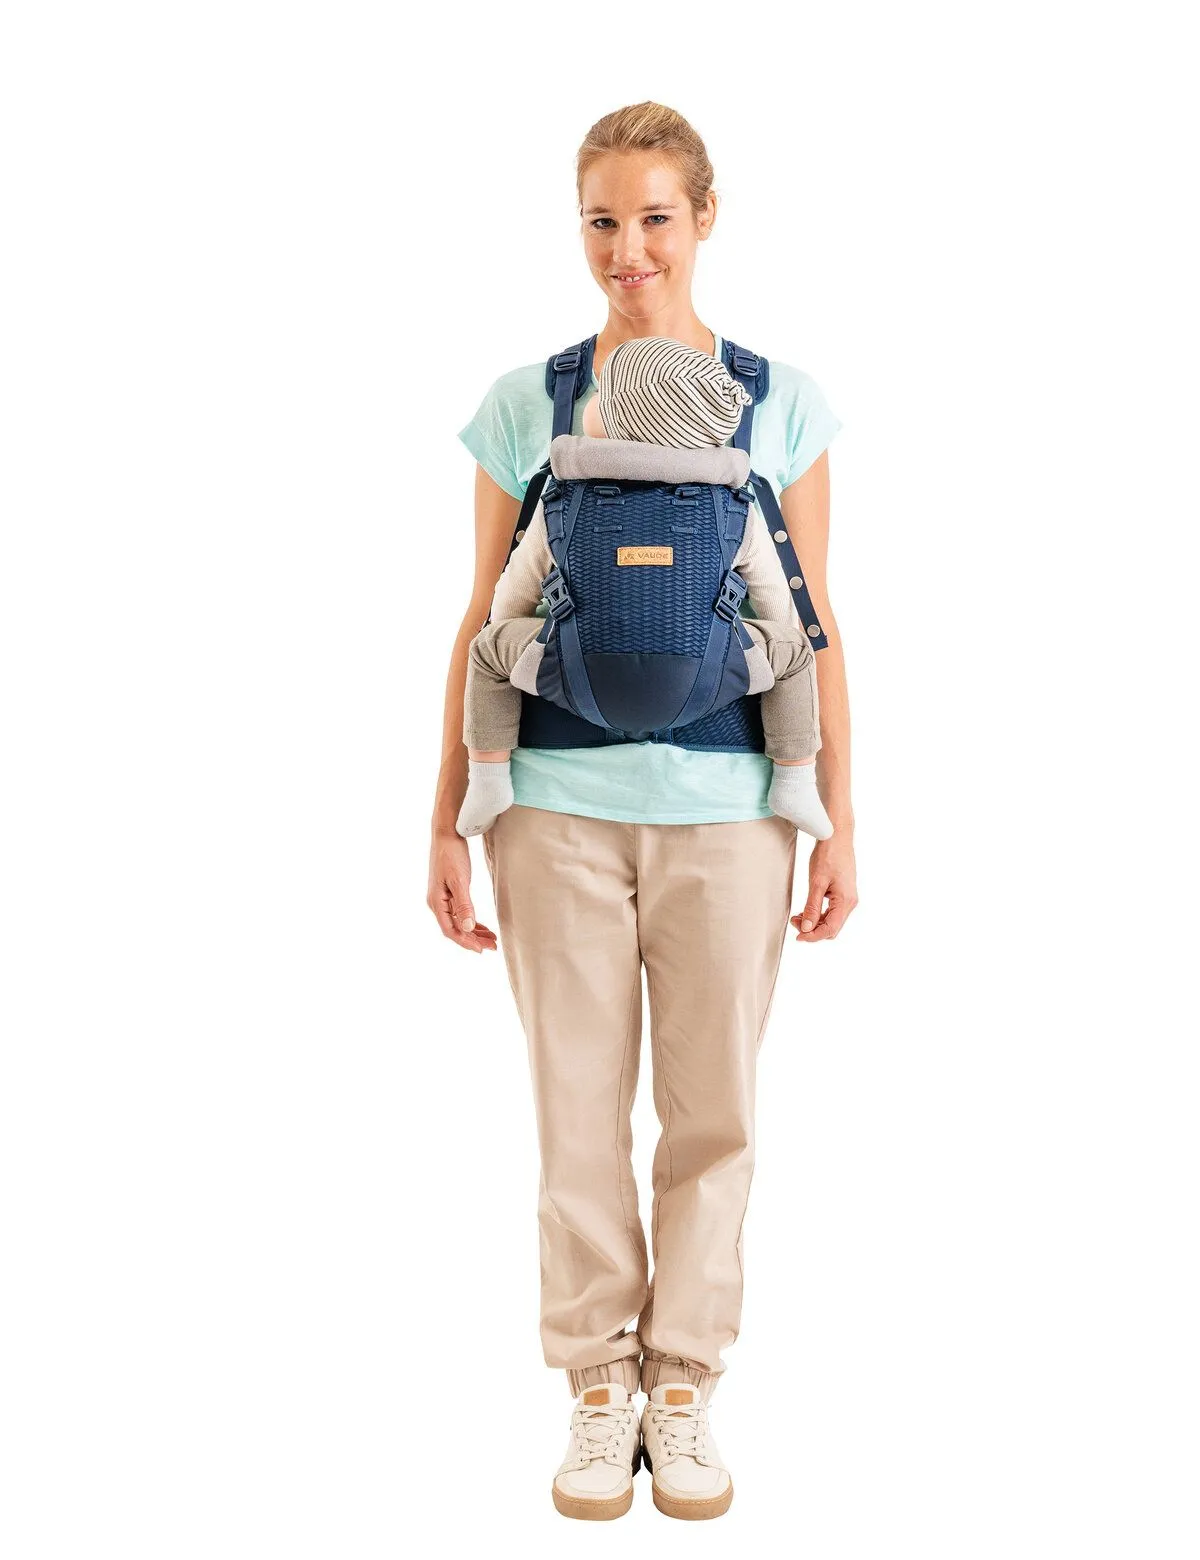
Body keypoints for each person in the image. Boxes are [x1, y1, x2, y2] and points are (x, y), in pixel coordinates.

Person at [427, 100, 859, 1521]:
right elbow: (482, 621)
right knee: (576, 1108)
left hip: (732, 810)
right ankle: (597, 1381)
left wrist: (838, 816)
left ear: (705, 217)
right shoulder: (527, 404)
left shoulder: (779, 400)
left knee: (713, 1109)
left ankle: (684, 1382)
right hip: (551, 808)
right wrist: (447, 815)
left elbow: (811, 625)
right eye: (603, 221)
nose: (629, 250)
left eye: (656, 217)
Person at [455, 333, 834, 842]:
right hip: (709, 682)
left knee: (487, 651)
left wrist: (513, 633)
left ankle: (487, 777)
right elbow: (777, 607)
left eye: (604, 396)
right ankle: (795, 781)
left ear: (624, 419)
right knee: (795, 653)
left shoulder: (560, 501)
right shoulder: (736, 509)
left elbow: (510, 597)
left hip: (573, 681)